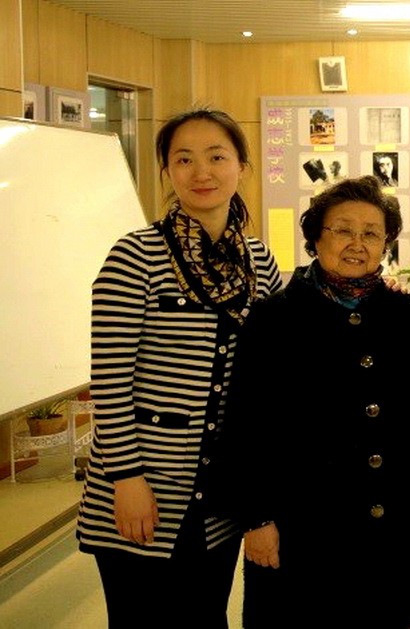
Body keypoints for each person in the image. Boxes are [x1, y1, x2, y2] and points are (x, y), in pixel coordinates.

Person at [75, 107, 283, 627]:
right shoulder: (135, 255)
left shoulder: (259, 260)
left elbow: (284, 354)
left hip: (218, 498)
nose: (201, 172)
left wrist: (379, 288)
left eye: (217, 157)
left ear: (241, 166)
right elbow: (110, 380)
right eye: (184, 159)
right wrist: (127, 479)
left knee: (205, 617)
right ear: (167, 170)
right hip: (142, 488)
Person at [220, 176, 410, 627]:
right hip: (305, 529)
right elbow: (246, 423)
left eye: (371, 233)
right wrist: (256, 518)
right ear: (315, 236)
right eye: (343, 230)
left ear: (386, 243)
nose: (357, 244)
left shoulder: (404, 314)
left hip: (392, 526)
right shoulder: (274, 317)